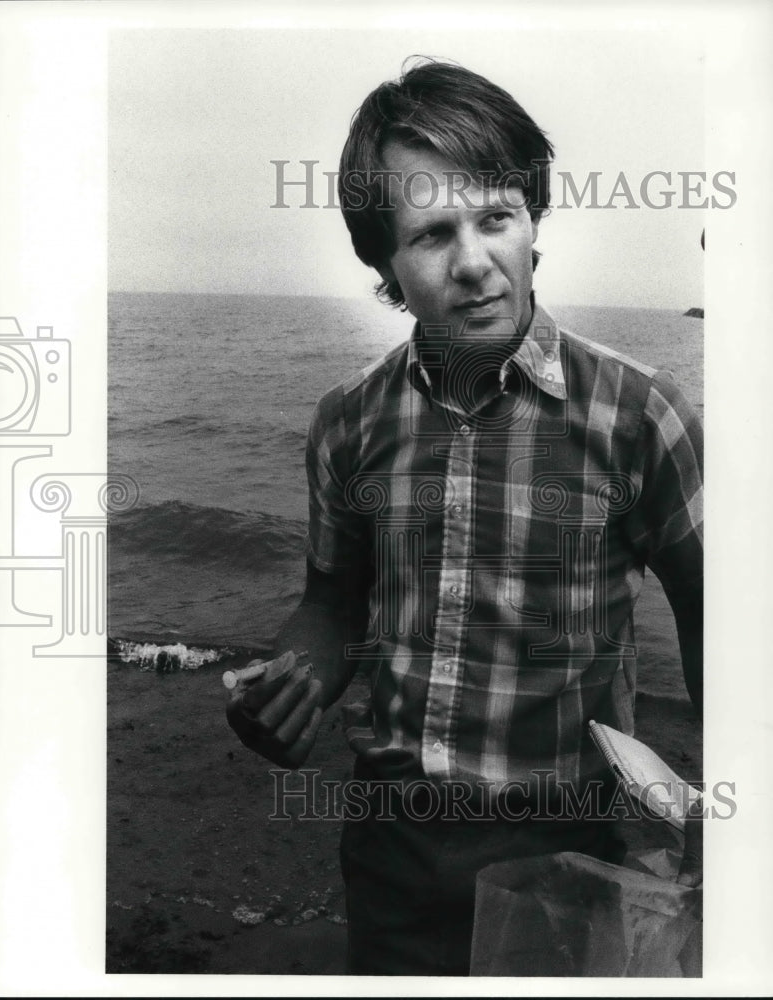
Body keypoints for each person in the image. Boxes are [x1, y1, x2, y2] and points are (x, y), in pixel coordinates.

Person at [227, 59, 703, 976]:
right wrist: (293, 683)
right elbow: (331, 602)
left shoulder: (641, 415)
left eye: (497, 215)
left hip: (574, 843)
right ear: (387, 268)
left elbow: (716, 620)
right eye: (433, 233)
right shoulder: (348, 422)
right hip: (394, 842)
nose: (476, 259)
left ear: (534, 224)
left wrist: (728, 811)